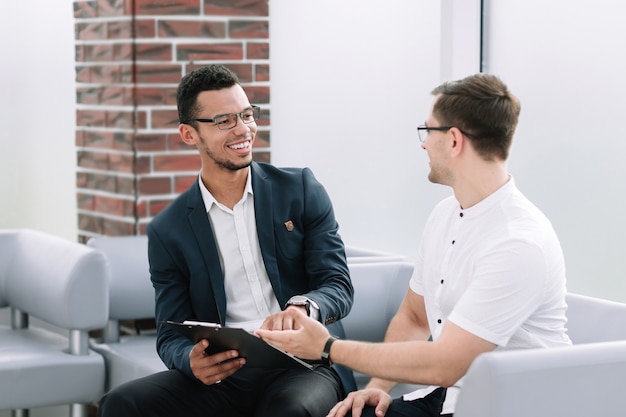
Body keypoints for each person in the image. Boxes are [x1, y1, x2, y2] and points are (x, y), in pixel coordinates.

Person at [256, 73, 572, 417]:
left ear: (453, 140)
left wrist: (327, 347)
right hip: (450, 394)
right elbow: (415, 316)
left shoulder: (518, 242)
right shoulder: (445, 214)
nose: (423, 144)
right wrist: (375, 389)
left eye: (428, 131)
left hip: (514, 406)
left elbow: (446, 363)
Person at [97, 64, 354, 417]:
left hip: (306, 365)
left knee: (286, 410)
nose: (243, 129)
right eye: (224, 121)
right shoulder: (168, 230)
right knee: (121, 404)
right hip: (227, 373)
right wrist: (189, 361)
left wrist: (302, 307)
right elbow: (169, 334)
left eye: (247, 115)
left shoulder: (301, 191)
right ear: (189, 134)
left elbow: (338, 284)